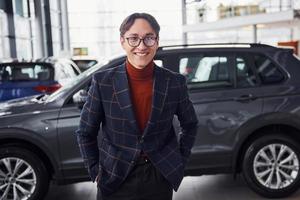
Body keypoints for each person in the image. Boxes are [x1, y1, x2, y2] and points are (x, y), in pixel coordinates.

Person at [76, 12, 198, 200]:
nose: (141, 46)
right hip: (114, 177)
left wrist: (179, 161)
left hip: (159, 176)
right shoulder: (103, 82)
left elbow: (190, 124)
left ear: (156, 42)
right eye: (133, 38)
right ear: (122, 41)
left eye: (149, 38)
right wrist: (95, 170)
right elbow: (85, 131)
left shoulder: (174, 82)